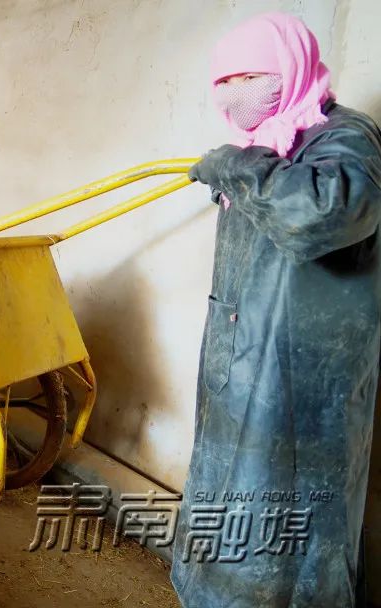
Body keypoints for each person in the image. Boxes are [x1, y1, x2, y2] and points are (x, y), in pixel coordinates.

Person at [174, 12, 381, 607]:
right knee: (226, 514)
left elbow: (319, 215)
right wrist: (243, 165)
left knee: (293, 532)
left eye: (252, 75)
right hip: (239, 370)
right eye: (225, 80)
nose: (237, 92)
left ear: (290, 65)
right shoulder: (261, 144)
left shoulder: (344, 138)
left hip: (303, 385)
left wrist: (238, 169)